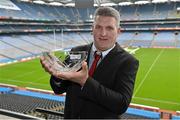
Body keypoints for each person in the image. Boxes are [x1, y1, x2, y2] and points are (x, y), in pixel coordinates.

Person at [40, 6, 139, 119]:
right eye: (98, 27)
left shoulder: (128, 62)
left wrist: (85, 82)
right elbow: (58, 89)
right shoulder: (76, 52)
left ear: (118, 31)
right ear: (92, 29)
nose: (103, 33)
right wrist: (57, 75)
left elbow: (121, 104)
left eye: (109, 28)